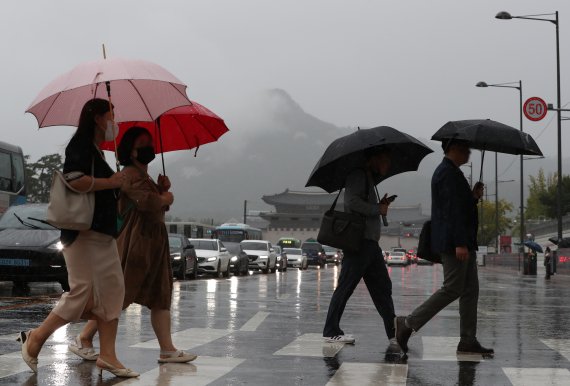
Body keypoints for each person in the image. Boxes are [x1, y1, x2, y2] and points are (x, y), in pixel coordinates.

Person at [18, 98, 139, 378]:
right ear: (97, 118)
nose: (114, 121)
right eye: (112, 114)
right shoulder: (81, 145)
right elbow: (74, 179)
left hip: (101, 234)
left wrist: (119, 186)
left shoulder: (97, 150)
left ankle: (108, 355)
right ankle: (35, 338)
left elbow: (101, 189)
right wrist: (111, 182)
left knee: (112, 291)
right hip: (83, 234)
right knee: (82, 291)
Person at [70, 126, 197, 364]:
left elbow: (153, 203)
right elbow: (146, 203)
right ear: (132, 151)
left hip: (154, 243)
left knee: (160, 295)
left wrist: (162, 190)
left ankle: (167, 349)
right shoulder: (128, 175)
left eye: (150, 143)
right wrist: (164, 197)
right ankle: (84, 337)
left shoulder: (145, 177)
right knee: (119, 295)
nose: (150, 148)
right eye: (143, 144)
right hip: (135, 243)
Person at [395, 139, 494, 357]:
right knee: (452, 288)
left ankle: (468, 339)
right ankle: (407, 323)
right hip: (454, 243)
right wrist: (459, 242)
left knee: (470, 291)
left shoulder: (452, 173)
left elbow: (461, 206)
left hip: (462, 241)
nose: (468, 154)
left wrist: (473, 197)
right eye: (465, 150)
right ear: (452, 150)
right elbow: (452, 212)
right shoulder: (447, 174)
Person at [322, 147, 401, 354]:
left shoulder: (369, 178)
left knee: (382, 287)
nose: (388, 165)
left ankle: (393, 333)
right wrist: (377, 209)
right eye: (385, 160)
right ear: (374, 158)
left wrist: (381, 205)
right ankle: (331, 330)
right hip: (359, 243)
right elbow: (352, 203)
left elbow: (365, 206)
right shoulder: (358, 176)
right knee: (346, 286)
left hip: (370, 245)